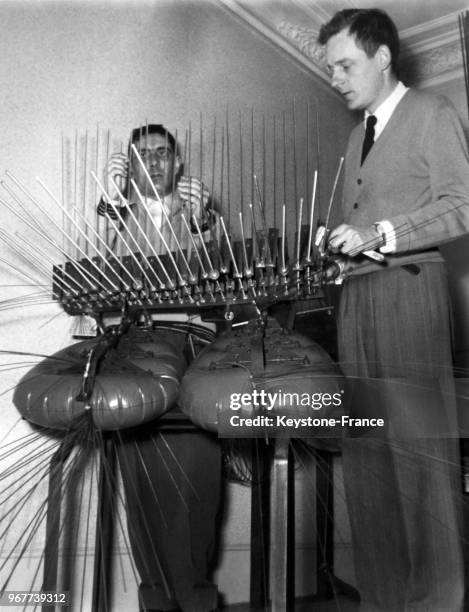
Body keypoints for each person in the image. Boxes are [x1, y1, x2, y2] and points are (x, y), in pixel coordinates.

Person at [318, 9, 469, 611]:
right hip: (359, 299)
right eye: (329, 68)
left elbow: (463, 203)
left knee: (419, 454)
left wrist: (382, 232)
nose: (335, 77)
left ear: (383, 57)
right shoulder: (358, 135)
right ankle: (383, 600)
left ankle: (437, 602)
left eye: (345, 64)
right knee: (368, 454)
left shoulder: (433, 113)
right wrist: (342, 250)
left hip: (410, 294)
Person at [98, 124, 221, 612]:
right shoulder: (114, 214)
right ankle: (156, 602)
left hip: (190, 353)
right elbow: (96, 268)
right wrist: (112, 203)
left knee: (194, 480)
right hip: (132, 355)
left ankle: (195, 600)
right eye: (142, 154)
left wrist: (204, 220)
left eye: (163, 153)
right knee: (140, 484)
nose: (153, 161)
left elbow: (226, 271)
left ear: (178, 163)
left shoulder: (200, 214)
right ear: (129, 166)